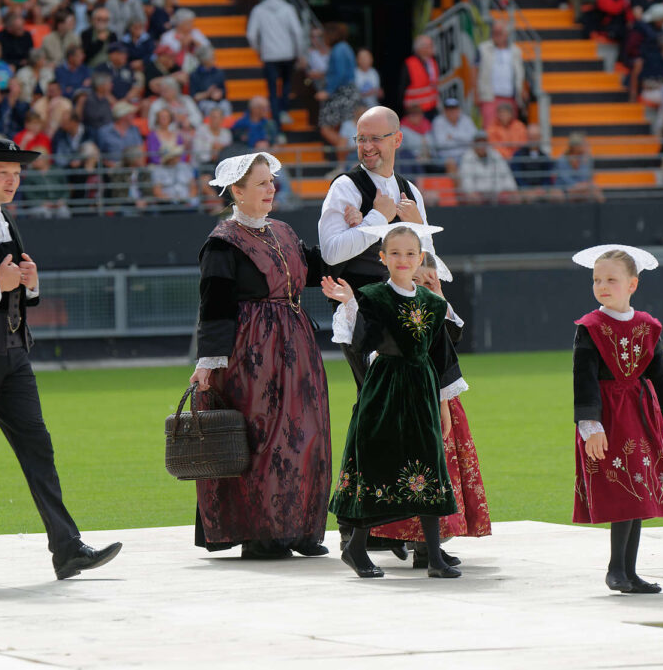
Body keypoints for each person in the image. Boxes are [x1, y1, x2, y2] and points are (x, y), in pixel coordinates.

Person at [0, 138, 122, 581]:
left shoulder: (4, 221)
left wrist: (28, 285)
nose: (12, 180)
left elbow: (11, 291)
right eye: (3, 171)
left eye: (17, 173)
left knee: (38, 450)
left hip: (11, 355)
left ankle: (67, 550)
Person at [188, 152, 332, 559]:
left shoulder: (284, 231)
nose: (272, 189)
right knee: (265, 439)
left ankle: (301, 528)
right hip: (252, 354)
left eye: (272, 182)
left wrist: (363, 231)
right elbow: (213, 307)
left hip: (297, 347)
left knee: (307, 434)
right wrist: (208, 362)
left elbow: (316, 267)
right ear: (237, 191)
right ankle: (264, 533)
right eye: (263, 183)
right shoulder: (222, 243)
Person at [321, 222, 467, 579]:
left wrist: (444, 402)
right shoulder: (371, 296)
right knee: (378, 464)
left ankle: (434, 556)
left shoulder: (432, 303)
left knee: (430, 465)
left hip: (421, 392)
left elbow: (442, 355)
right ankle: (356, 547)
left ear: (421, 259)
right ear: (383, 257)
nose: (404, 260)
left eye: (411, 253)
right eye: (396, 253)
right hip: (384, 392)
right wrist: (351, 304)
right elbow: (361, 342)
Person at [570, 244, 663, 594]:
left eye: (611, 279)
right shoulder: (590, 327)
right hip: (609, 421)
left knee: (640, 489)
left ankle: (630, 572)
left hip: (640, 417)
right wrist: (591, 426)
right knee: (624, 490)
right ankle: (615, 570)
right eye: (597, 280)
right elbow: (584, 380)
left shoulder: (647, 326)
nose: (602, 286)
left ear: (632, 285)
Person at [367, 251, 491, 566]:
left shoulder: (432, 307)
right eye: (416, 280)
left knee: (443, 470)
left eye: (427, 280)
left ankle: (428, 546)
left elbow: (450, 340)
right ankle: (407, 539)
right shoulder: (392, 308)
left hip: (441, 398)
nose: (421, 286)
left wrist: (439, 299)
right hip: (409, 401)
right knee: (411, 470)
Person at [318, 105, 436, 386]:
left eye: (375, 139)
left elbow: (430, 265)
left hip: (409, 312)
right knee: (377, 397)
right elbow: (331, 253)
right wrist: (378, 218)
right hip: (363, 311)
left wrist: (418, 226)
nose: (367, 146)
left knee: (411, 400)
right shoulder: (345, 186)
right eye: (361, 139)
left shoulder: (410, 189)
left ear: (397, 139)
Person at [246, 0, 302, 127]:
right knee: (286, 85)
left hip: (269, 55)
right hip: (288, 54)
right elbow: (297, 32)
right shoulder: (288, 9)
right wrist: (299, 52)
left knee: (272, 91)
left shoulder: (258, 10)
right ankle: (283, 111)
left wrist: (258, 49)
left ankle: (277, 126)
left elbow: (251, 35)